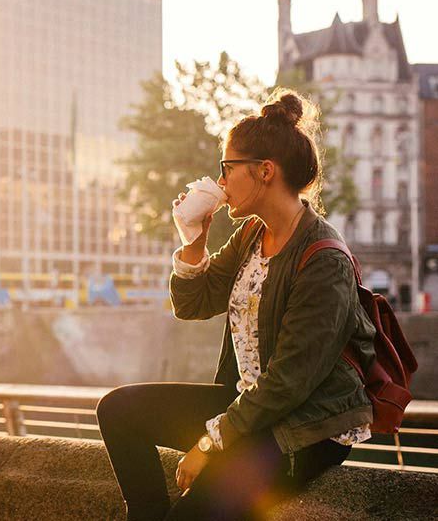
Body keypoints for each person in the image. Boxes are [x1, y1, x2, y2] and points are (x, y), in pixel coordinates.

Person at [96, 88, 376, 521]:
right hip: (249, 408)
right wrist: (193, 240)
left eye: (227, 167)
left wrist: (209, 443)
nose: (221, 181)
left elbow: (289, 383)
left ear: (265, 171)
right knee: (117, 410)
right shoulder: (251, 235)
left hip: (302, 428)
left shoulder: (324, 259)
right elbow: (193, 304)